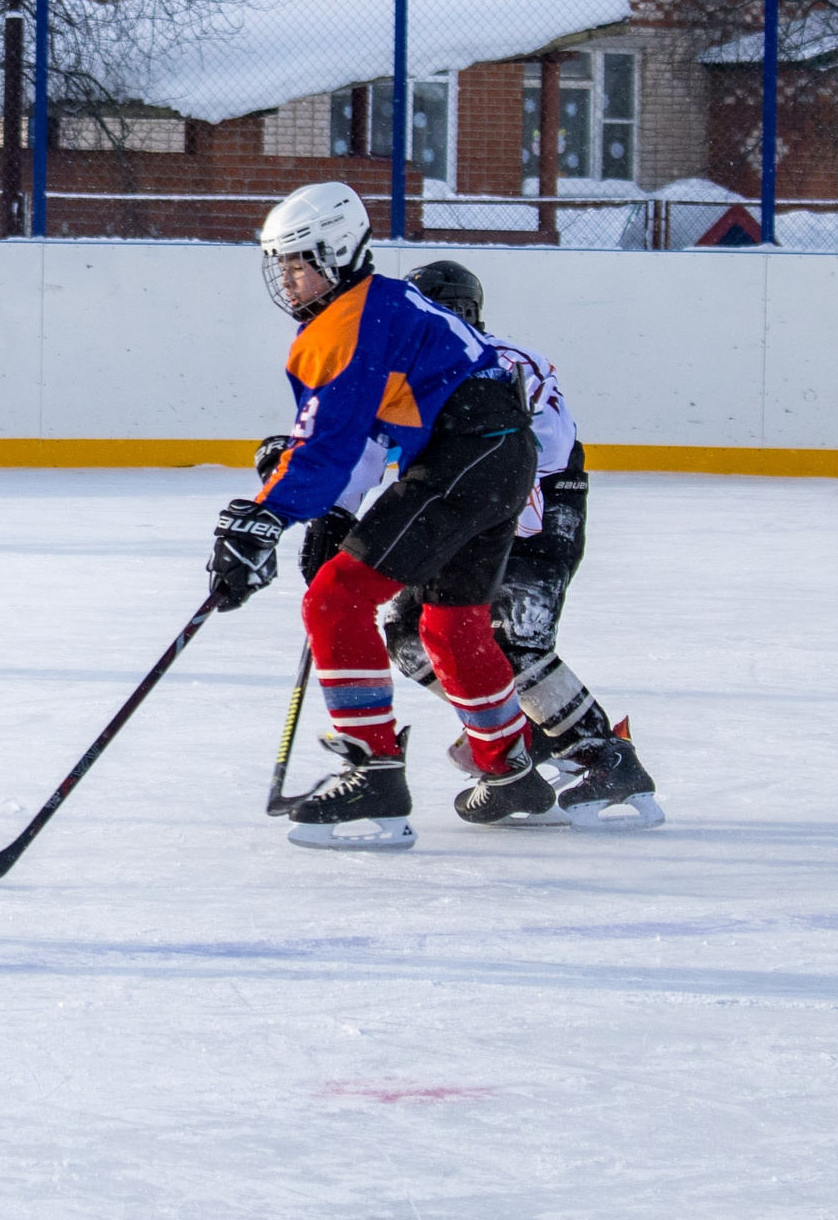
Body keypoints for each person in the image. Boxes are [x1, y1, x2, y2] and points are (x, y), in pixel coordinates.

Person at [205, 181, 554, 850]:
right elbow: (357, 438)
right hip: (499, 459)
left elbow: (329, 444)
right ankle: (508, 767)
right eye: (279, 263)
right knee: (452, 625)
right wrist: (327, 514)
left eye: (297, 260)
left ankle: (373, 771)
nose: (286, 277)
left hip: (464, 458)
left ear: (336, 253)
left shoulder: (351, 322)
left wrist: (263, 516)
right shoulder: (380, 304)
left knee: (335, 602)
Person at [361, 261, 662, 828]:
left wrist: (468, 481)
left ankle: (604, 756)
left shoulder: (508, 363)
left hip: (537, 509)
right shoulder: (408, 376)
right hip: (461, 513)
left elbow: (545, 450)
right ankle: (512, 737)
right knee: (409, 638)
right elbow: (373, 452)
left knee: (511, 636)